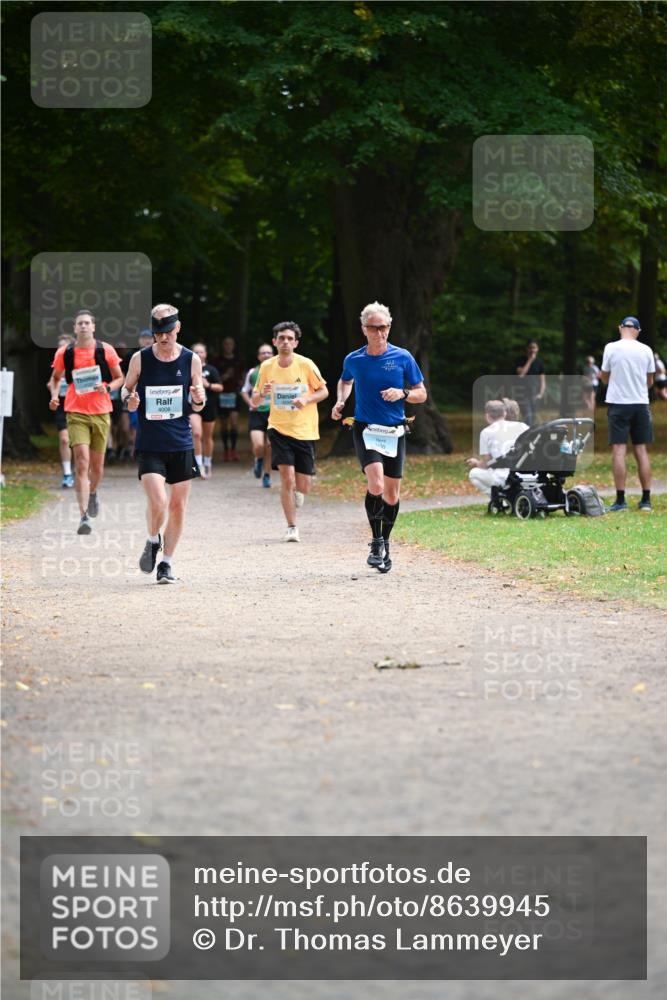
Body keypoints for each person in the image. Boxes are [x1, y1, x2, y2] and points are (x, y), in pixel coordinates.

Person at [331, 301, 426, 573]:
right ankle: (375, 541)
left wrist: (403, 393)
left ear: (389, 327)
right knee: (376, 485)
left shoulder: (403, 357)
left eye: (384, 327)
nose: (380, 333)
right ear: (364, 329)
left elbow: (422, 393)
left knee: (392, 495)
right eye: (374, 328)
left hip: (395, 430)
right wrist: (340, 401)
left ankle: (386, 541)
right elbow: (345, 380)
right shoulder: (354, 359)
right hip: (366, 429)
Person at [123, 303, 205, 582]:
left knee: (178, 506)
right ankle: (151, 540)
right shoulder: (140, 359)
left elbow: (199, 401)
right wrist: (129, 400)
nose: (163, 337)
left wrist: (197, 396)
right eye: (159, 333)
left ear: (178, 328)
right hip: (150, 443)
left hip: (181, 442)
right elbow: (126, 389)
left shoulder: (192, 359)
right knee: (158, 501)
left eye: (168, 331)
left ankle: (166, 563)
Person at [48, 310, 124, 534]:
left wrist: (108, 387)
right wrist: (54, 395)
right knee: (81, 462)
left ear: (93, 327)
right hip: (75, 411)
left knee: (97, 468)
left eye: (87, 323)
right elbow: (55, 379)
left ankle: (92, 493)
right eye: (79, 323)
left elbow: (120, 377)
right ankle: (83, 517)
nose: (83, 326)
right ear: (75, 328)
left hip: (101, 411)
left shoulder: (105, 350)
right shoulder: (66, 352)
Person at [252, 322, 328, 541]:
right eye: (281, 338)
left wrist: (306, 398)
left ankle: (299, 491)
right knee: (287, 478)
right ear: (275, 342)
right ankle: (291, 526)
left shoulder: (306, 365)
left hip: (304, 431)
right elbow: (256, 401)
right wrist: (262, 393)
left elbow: (323, 391)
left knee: (303, 485)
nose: (285, 342)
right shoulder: (267, 366)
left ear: (295, 342)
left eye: (289, 338)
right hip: (278, 428)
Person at [600, 316, 655, 513]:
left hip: (618, 405)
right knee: (641, 450)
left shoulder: (611, 348)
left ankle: (621, 500)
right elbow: (650, 382)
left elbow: (604, 377)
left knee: (619, 451)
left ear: (620, 328)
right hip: (641, 404)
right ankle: (646, 500)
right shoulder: (646, 350)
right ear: (638, 330)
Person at [467, 400, 529, 494]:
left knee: (474, 473)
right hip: (527, 475)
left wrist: (476, 463)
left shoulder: (486, 432)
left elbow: (486, 463)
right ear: (504, 413)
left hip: (503, 477)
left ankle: (499, 497)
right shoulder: (523, 426)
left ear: (487, 416)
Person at [241, 343, 275, 488]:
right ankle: (258, 459)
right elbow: (244, 390)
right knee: (259, 445)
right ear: (258, 356)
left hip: (273, 413)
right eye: (263, 353)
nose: (266, 355)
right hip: (256, 413)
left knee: (269, 445)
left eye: (269, 352)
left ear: (273, 355)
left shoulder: (279, 371)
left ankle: (267, 475)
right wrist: (251, 403)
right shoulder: (252, 372)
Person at [46, 334, 75, 488]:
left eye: (64, 346)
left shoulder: (78, 362)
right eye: (59, 346)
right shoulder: (57, 364)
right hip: (61, 404)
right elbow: (51, 382)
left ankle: (81, 470)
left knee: (79, 442)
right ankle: (67, 473)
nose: (61, 349)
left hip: (78, 404)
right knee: (64, 439)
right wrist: (53, 394)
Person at [190, 343, 222, 478]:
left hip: (209, 407)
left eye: (201, 352)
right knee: (196, 434)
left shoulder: (211, 370)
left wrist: (208, 385)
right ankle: (198, 465)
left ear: (206, 354)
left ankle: (208, 463)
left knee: (208, 437)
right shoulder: (187, 368)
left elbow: (220, 387)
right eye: (196, 352)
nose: (199, 354)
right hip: (192, 406)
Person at [217, 336, 244, 461]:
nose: (228, 346)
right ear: (223, 346)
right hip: (222, 395)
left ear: (233, 346)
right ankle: (225, 450)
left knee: (233, 423)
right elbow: (215, 378)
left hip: (235, 395)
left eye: (230, 344)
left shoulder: (238, 360)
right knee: (223, 425)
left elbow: (243, 376)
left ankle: (233, 450)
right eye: (226, 344)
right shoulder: (218, 360)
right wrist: (225, 376)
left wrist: (241, 384)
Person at [515, 339, 546, 426]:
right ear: (527, 349)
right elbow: (521, 374)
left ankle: (529, 437)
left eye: (534, 347)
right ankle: (526, 437)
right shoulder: (521, 360)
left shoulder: (539, 363)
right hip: (523, 394)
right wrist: (529, 361)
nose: (532, 350)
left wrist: (540, 394)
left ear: (537, 349)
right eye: (530, 347)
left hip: (534, 395)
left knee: (533, 419)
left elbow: (543, 380)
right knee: (528, 417)